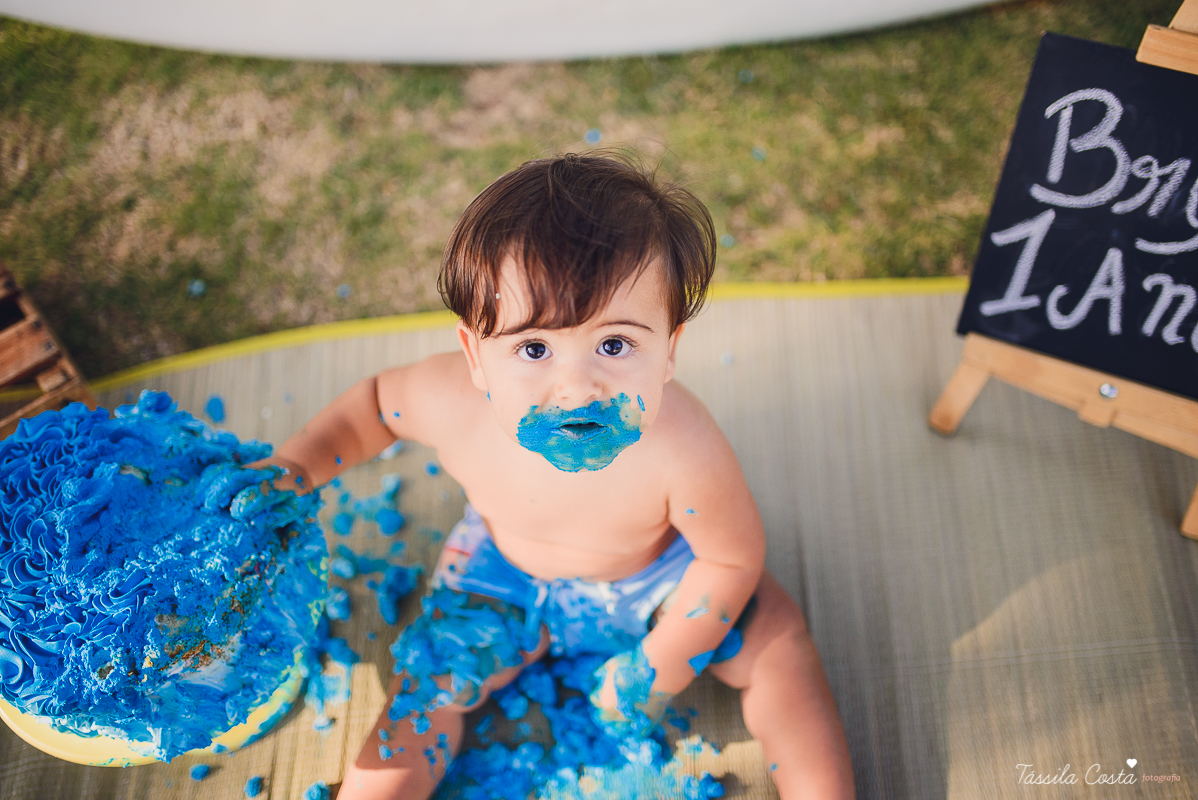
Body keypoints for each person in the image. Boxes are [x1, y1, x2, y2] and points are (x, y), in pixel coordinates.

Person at [261, 153, 854, 799]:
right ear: (475, 357)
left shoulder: (686, 448)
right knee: (422, 692)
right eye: (534, 348)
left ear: (670, 349)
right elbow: (374, 407)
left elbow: (732, 558)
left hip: (654, 578)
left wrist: (665, 659)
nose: (576, 388)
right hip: (501, 573)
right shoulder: (449, 399)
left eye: (615, 345)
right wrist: (298, 466)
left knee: (778, 642)